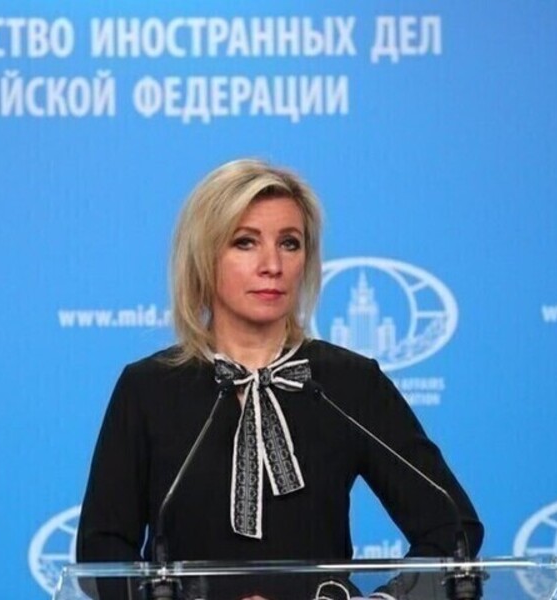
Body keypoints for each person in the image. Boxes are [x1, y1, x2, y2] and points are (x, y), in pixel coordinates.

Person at [76, 159, 483, 599]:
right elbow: (102, 552)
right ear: (203, 256)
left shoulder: (348, 383)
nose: (272, 264)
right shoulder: (148, 388)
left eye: (290, 243)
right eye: (245, 242)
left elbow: (453, 527)